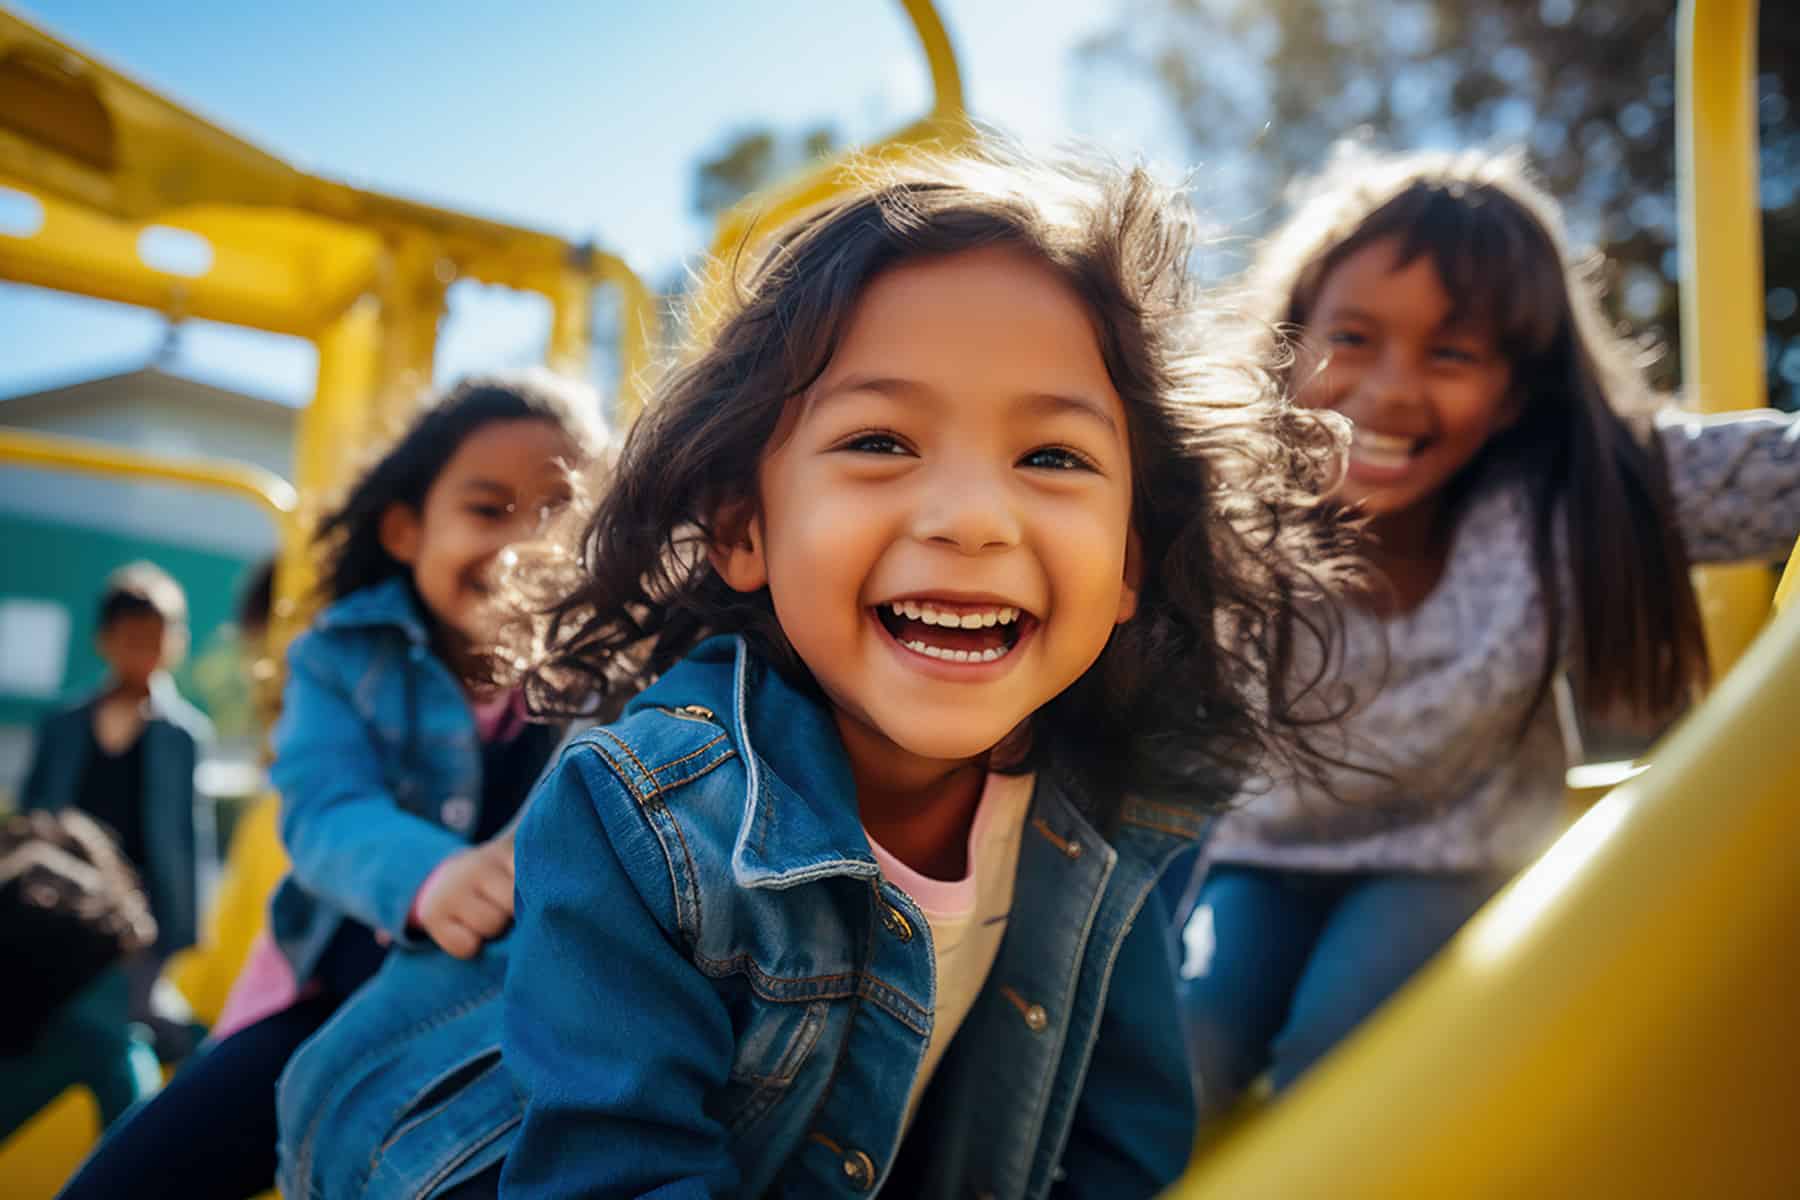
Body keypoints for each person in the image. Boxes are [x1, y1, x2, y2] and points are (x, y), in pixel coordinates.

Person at [275, 140, 1360, 1200]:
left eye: (1052, 457)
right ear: (746, 527)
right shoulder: (649, 812)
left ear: (1131, 557)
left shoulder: (1112, 801)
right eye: (881, 441)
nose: (974, 517)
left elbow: (1120, 1142)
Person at [1175, 146, 1800, 1125]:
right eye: (1352, 337)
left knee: (1340, 1056)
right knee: (1182, 1048)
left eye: (1452, 353)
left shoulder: (1560, 505)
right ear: (1291, 347)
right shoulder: (1228, 507)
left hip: (1453, 854)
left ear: (1515, 392)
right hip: (1264, 853)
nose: (1389, 389)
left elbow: (1773, 474)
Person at [57, 371, 606, 1200]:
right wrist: (434, 877)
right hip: (333, 993)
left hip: (511, 1018)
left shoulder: (602, 677)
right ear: (404, 528)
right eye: (488, 509)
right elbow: (324, 808)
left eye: (560, 514)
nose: (526, 544)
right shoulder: (342, 657)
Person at [21, 563, 212, 1039]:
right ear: (104, 639)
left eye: (155, 639)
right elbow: (32, 815)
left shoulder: (181, 734)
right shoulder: (64, 725)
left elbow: (188, 839)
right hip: (60, 907)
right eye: (132, 639)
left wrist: (183, 931)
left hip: (140, 919)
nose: (144, 653)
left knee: (132, 1026)